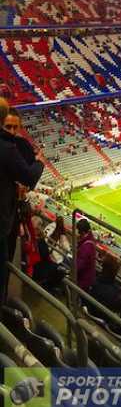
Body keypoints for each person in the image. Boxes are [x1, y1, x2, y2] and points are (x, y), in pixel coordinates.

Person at [0, 98, 43, 300]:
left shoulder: (22, 146)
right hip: (3, 214)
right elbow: (28, 175)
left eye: (15, 127)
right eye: (8, 126)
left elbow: (28, 182)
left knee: (7, 258)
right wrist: (39, 164)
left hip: (12, 214)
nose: (12, 130)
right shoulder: (7, 148)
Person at [75, 218, 97, 292]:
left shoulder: (86, 247)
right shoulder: (89, 240)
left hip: (83, 281)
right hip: (86, 278)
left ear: (83, 232)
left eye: (78, 231)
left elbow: (78, 266)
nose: (77, 233)